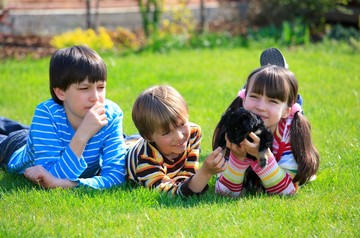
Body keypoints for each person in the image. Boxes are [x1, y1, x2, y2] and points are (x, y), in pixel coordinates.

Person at [0, 45, 127, 189]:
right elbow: (51, 176)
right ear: (61, 93)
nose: (96, 98)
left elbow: (116, 177)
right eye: (84, 88)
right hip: (15, 145)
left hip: (45, 135)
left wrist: (68, 185)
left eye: (101, 87)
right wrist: (83, 134)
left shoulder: (112, 114)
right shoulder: (46, 114)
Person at [213, 65, 320, 197]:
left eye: (272, 101)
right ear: (244, 98)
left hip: (281, 153)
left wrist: (262, 156)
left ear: (287, 111)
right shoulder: (233, 127)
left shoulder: (289, 136)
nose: (261, 107)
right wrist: (238, 158)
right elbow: (224, 193)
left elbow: (286, 192)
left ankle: (296, 104)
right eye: (254, 96)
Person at [126, 85, 226, 197]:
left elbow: (188, 174)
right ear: (149, 137)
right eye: (166, 132)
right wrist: (205, 172)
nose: (179, 136)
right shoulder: (145, 158)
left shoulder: (193, 133)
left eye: (182, 124)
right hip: (127, 147)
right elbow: (170, 193)